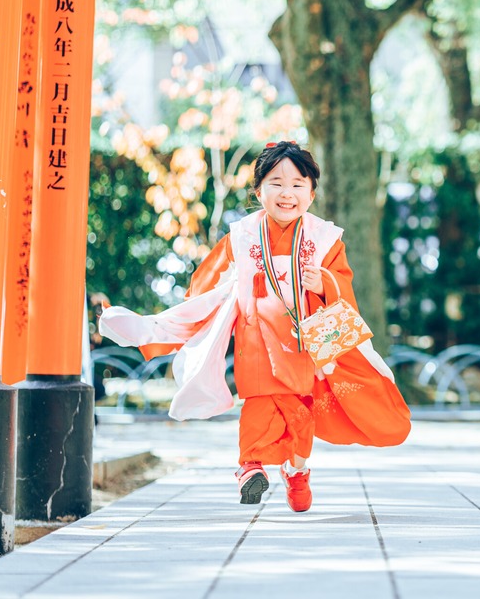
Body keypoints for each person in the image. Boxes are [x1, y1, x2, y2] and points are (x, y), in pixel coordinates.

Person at [100, 141, 411, 512]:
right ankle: (250, 467)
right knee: (260, 403)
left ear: (311, 193)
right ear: (258, 190)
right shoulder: (242, 235)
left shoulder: (325, 238)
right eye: (276, 182)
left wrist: (325, 284)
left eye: (298, 184)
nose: (287, 193)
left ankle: (297, 471)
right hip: (256, 339)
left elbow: (343, 284)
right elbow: (208, 286)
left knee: (300, 411)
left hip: (303, 344)